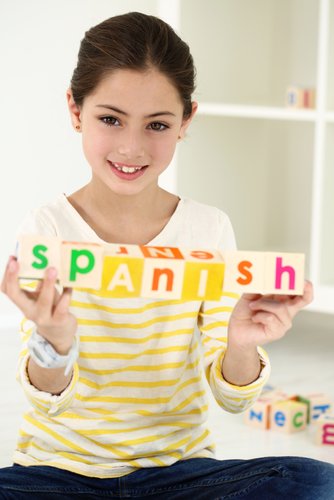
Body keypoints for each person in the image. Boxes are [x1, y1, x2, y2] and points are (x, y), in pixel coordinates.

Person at [0, 11, 333, 500]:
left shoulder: (208, 228)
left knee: (315, 482)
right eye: (110, 119)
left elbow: (232, 398)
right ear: (75, 110)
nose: (132, 147)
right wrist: (54, 341)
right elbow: (46, 398)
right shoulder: (48, 227)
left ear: (186, 121)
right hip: (56, 476)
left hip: (178, 476)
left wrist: (240, 343)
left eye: (157, 124)